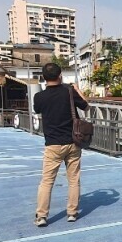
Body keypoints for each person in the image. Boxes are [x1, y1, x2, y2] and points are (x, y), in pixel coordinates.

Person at [33, 63, 89, 227]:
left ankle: (42, 216)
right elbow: (86, 106)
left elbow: (37, 110)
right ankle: (72, 213)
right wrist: (77, 90)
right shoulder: (69, 92)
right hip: (73, 142)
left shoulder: (40, 97)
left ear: (43, 78)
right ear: (60, 76)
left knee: (47, 181)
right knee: (73, 180)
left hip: (52, 145)